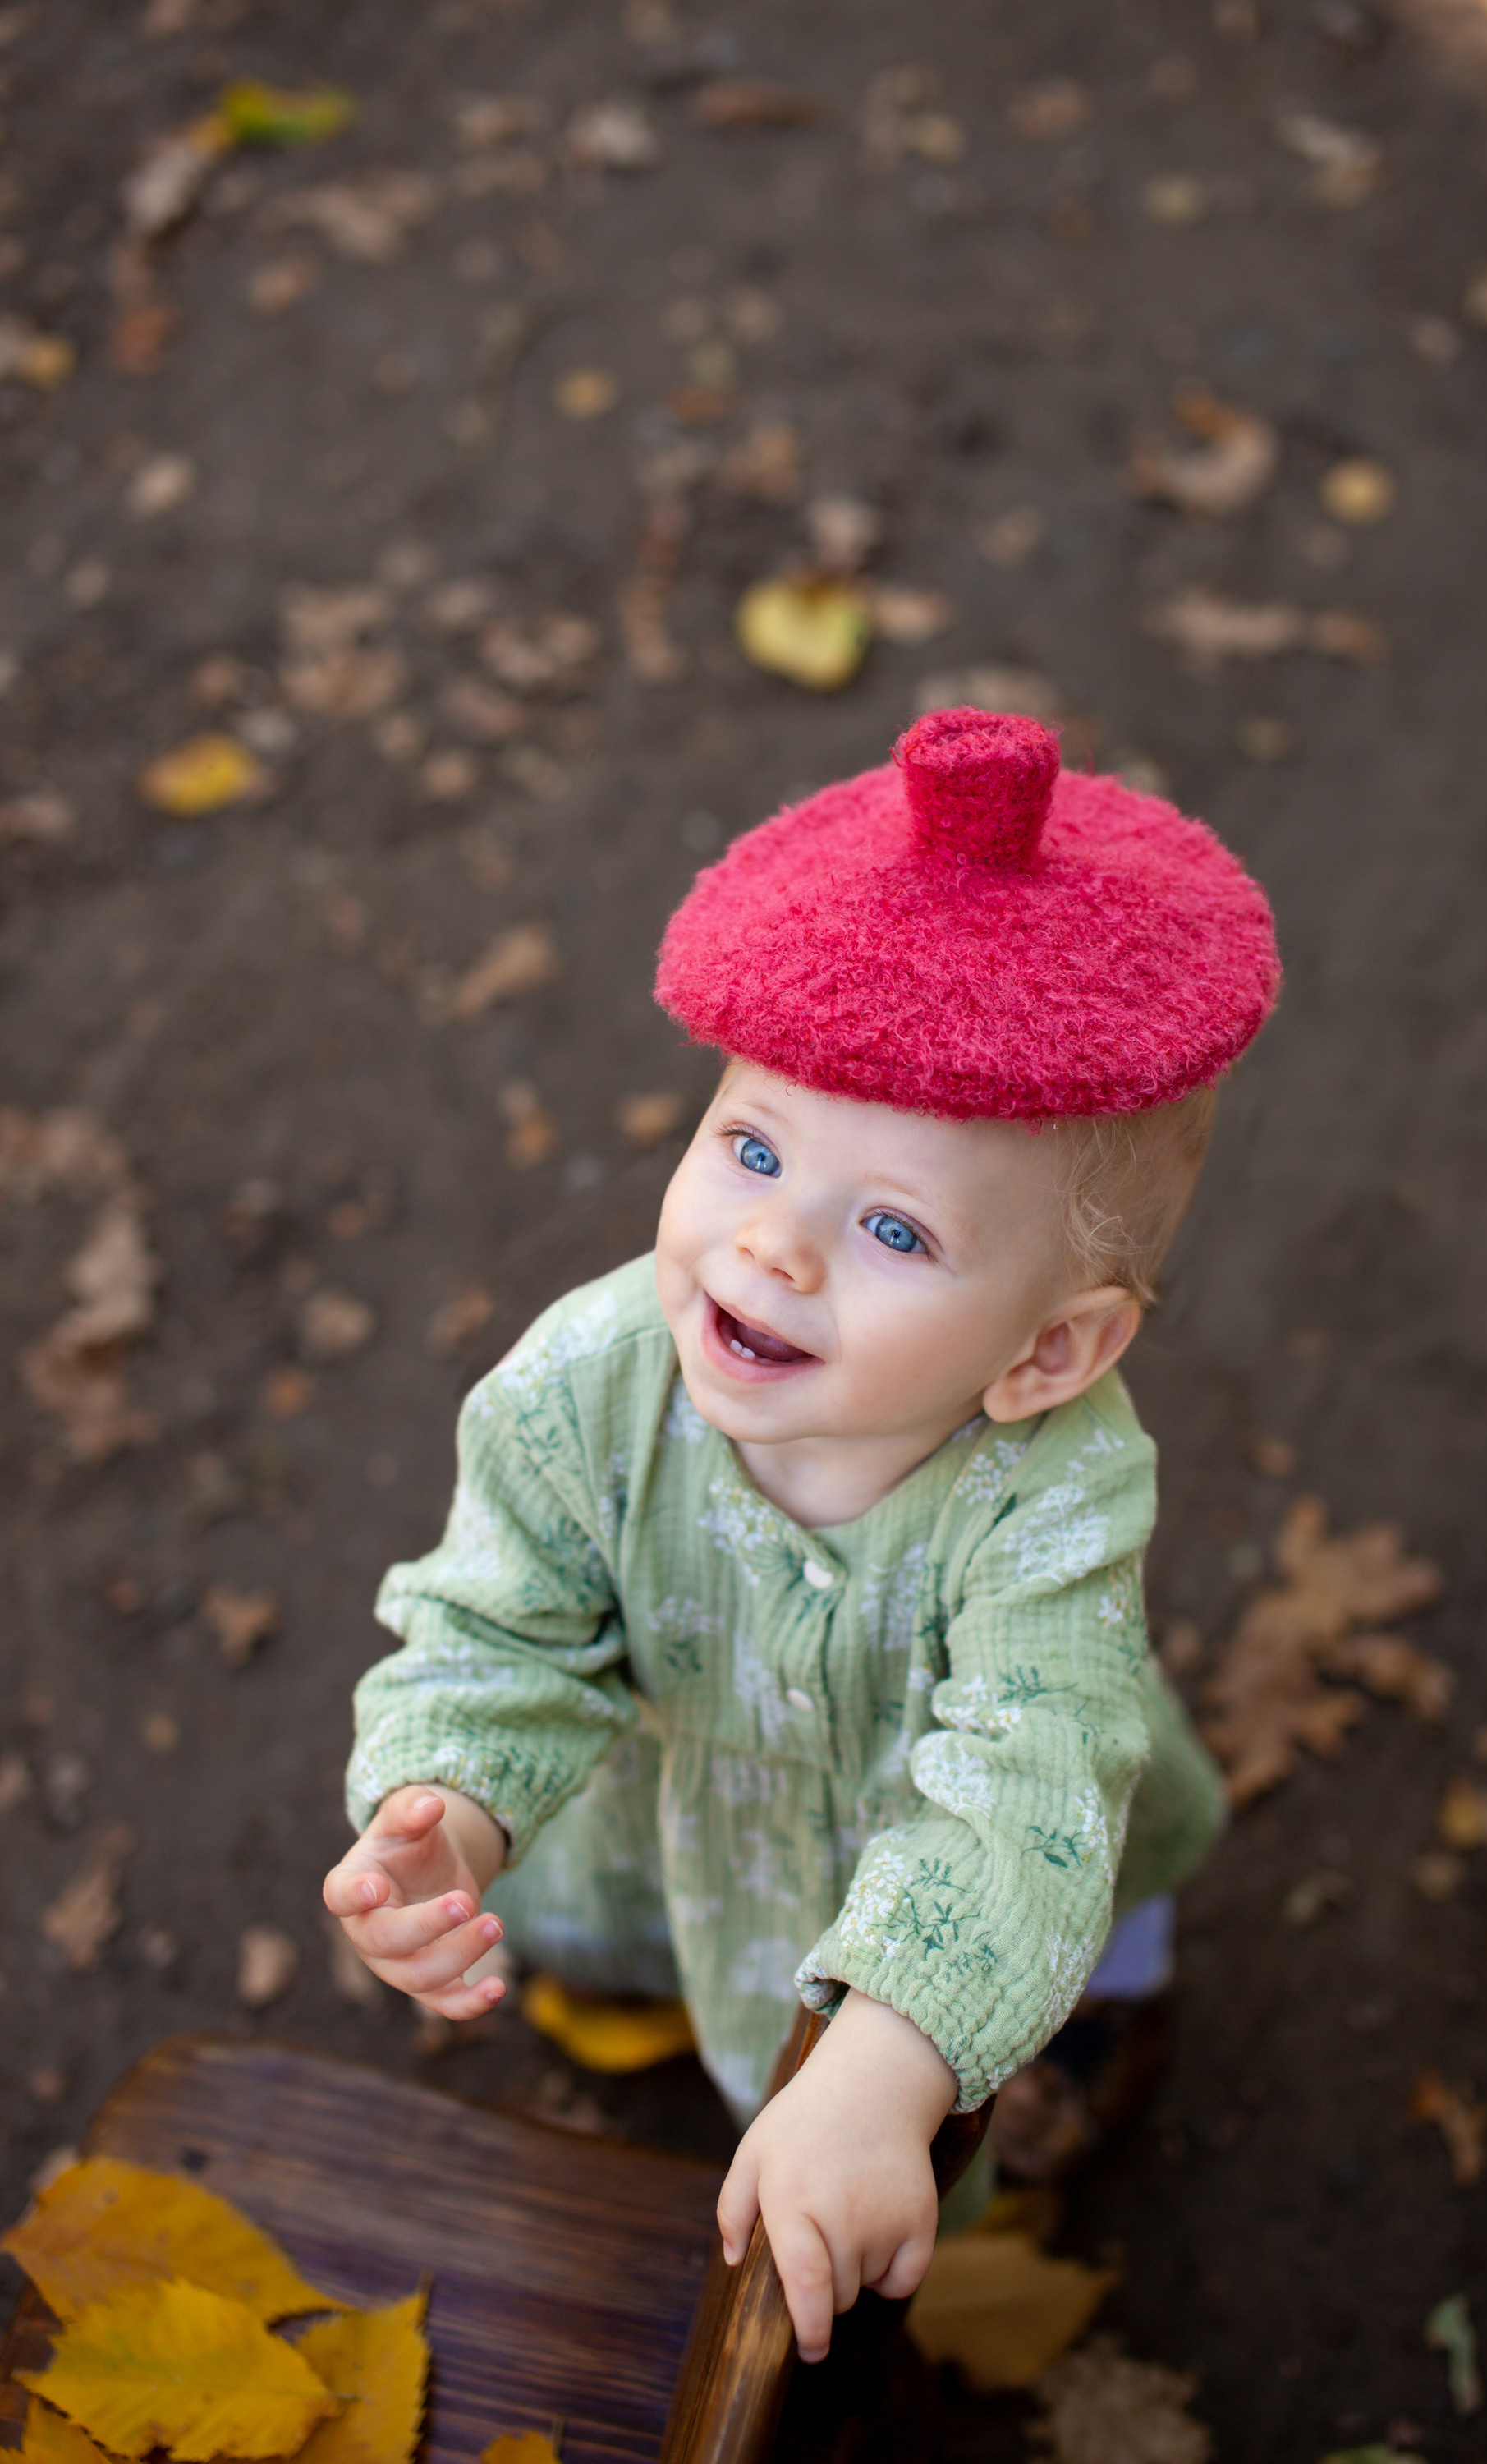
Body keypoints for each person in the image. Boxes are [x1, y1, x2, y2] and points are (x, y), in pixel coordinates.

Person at [323, 706, 1279, 2362]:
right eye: (749, 1146)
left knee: (1076, 1902)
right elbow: (502, 1633)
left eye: (893, 1227)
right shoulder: (586, 1388)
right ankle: (638, 1958)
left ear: (1048, 1351)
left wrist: (890, 2063)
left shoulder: (1052, 1494)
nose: (769, 1248)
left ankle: (1082, 2016)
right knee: (623, 1911)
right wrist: (450, 1809)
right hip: (682, 1809)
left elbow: (1027, 1786)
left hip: (967, 1850)